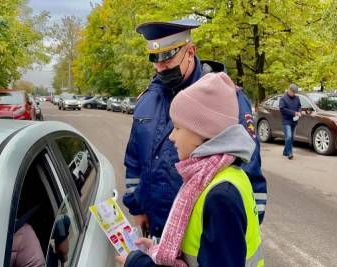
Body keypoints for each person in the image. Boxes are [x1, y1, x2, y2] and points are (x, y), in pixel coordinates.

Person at [123, 19, 267, 239]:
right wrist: (137, 208)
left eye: (166, 57)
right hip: (157, 231)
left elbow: (249, 172)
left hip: (203, 238)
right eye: (154, 59)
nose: (159, 67)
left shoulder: (226, 99)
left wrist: (237, 235)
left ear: (190, 52)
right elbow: (134, 161)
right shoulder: (147, 100)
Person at [117, 72, 263, 267]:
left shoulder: (220, 196)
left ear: (201, 131)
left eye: (177, 128)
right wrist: (156, 249)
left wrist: (138, 263)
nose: (171, 137)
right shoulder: (221, 175)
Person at [279, 83, 301, 159]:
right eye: (293, 92)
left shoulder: (297, 98)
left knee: (292, 138)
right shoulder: (283, 98)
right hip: (286, 121)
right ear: (289, 90)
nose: (294, 94)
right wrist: (294, 113)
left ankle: (285, 151)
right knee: (288, 136)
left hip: (294, 121)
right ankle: (290, 153)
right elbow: (282, 109)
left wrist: (299, 112)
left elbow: (299, 106)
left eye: (295, 92)